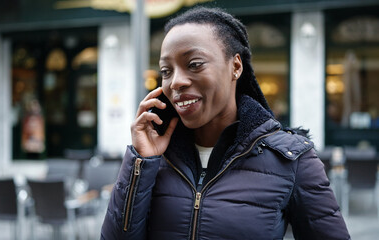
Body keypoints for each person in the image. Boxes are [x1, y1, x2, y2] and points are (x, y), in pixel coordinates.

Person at [101, 7, 350, 240]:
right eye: (166, 71)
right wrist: (140, 162)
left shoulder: (292, 159)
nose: (175, 82)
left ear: (236, 66)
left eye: (194, 64)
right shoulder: (152, 158)